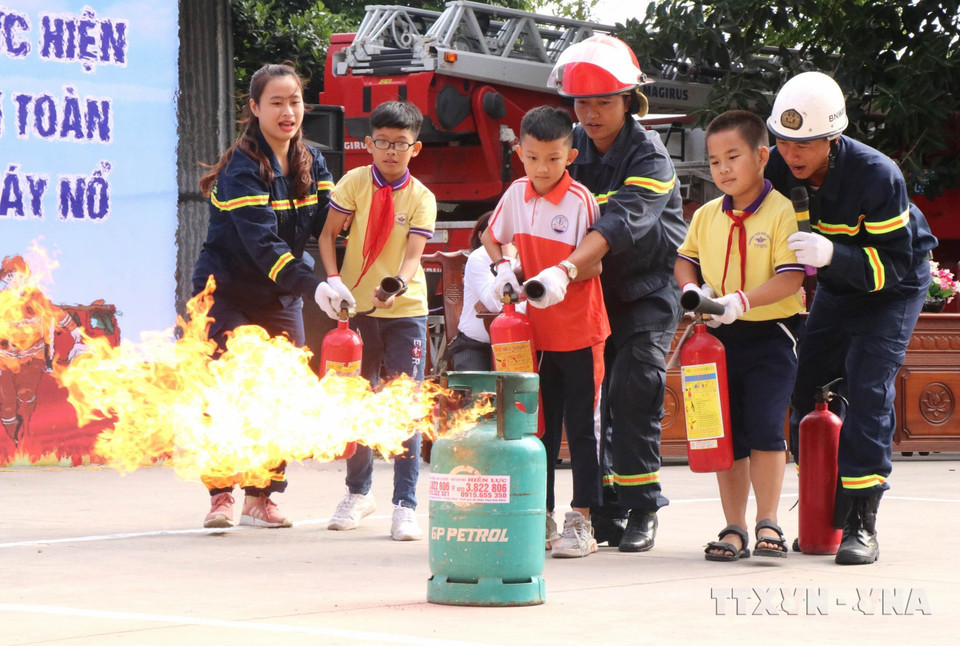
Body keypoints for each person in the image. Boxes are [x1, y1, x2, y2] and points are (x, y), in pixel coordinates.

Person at [765, 71, 937, 565]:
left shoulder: (877, 175)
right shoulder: (777, 166)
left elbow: (893, 264)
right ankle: (821, 505)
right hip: (839, 286)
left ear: (833, 138)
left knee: (868, 385)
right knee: (804, 384)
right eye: (784, 140)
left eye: (805, 144)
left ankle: (862, 520)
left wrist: (833, 255)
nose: (791, 154)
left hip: (892, 286)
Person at [546, 35, 688, 552]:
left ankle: (643, 507)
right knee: (584, 403)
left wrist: (563, 267)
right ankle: (602, 510)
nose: (591, 112)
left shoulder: (649, 156)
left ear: (628, 101)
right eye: (582, 102)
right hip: (588, 295)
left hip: (647, 292)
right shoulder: (567, 149)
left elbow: (620, 223)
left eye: (603, 101)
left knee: (635, 387)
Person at [192, 62, 339, 529]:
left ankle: (262, 495)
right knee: (226, 392)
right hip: (225, 293)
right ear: (255, 109)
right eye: (275, 102)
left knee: (283, 394)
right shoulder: (240, 168)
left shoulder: (314, 162)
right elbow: (263, 246)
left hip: (281, 296)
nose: (287, 111)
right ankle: (221, 495)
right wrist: (316, 286)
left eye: (294, 101)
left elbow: (327, 228)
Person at [675, 110, 805, 561]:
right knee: (723, 432)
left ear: (762, 156)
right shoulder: (707, 214)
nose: (723, 169)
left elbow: (792, 278)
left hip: (772, 334)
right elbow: (684, 259)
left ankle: (768, 520)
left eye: (733, 156)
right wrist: (694, 289)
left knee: (767, 426)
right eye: (714, 161)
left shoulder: (784, 211)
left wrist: (742, 302)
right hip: (716, 341)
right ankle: (733, 527)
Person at [482, 105, 609, 558]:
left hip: (578, 328)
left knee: (582, 427)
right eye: (533, 157)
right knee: (537, 428)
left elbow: (595, 258)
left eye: (553, 158)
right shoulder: (516, 193)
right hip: (532, 333)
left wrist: (562, 274)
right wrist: (503, 268)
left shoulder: (580, 200)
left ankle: (583, 521)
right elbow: (490, 235)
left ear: (570, 154)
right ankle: (543, 514)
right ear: (519, 153)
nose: (543, 167)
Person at [318, 100, 437, 541]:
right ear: (368, 144)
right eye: (383, 143)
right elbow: (328, 235)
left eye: (400, 144)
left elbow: (412, 258)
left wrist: (396, 288)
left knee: (404, 407)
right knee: (357, 402)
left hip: (404, 311)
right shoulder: (353, 182)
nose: (391, 151)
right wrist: (332, 280)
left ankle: (405, 504)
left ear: (415, 148)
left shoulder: (422, 198)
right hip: (353, 310)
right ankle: (357, 492)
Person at [1, 256, 86, 453]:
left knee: (26, 396)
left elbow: (55, 313)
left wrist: (75, 331)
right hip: (4, 361)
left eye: (20, 275)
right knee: (6, 405)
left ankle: (25, 436)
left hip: (32, 359)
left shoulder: (36, 298)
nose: (16, 279)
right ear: (5, 278)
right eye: (12, 275)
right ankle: (12, 438)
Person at [445, 212, 519, 371]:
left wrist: (509, 297)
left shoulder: (527, 254)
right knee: (478, 395)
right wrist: (508, 261)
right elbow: (494, 305)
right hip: (476, 344)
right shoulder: (479, 257)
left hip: (518, 342)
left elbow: (532, 300)